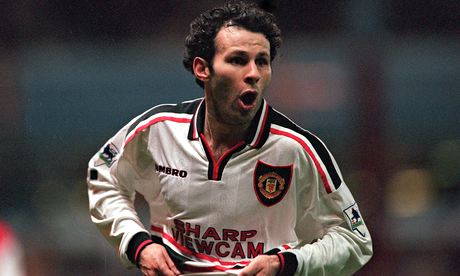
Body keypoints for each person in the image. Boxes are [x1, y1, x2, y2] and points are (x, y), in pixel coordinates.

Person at [86, 1, 373, 275]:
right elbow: (103, 176)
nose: (253, 74)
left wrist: (287, 263)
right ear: (203, 69)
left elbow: (355, 241)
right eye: (237, 60)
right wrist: (138, 245)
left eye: (262, 62)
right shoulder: (159, 129)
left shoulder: (297, 149)